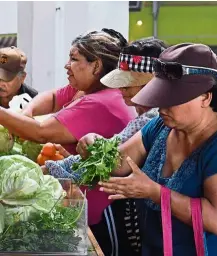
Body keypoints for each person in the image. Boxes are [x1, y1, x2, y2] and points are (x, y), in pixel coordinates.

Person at [0, 29, 136, 252]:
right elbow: (53, 97)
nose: (66, 65)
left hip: (103, 211)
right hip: (82, 204)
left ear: (96, 65)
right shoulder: (84, 91)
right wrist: (26, 113)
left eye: (74, 59)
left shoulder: (100, 102)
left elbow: (40, 132)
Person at [78, 43, 217, 255]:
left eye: (172, 99)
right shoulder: (160, 126)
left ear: (205, 97)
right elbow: (121, 162)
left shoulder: (213, 147)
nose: (161, 107)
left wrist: (155, 193)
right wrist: (95, 146)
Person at [43, 37, 167, 256]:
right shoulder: (147, 119)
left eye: (128, 83)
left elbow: (115, 160)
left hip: (147, 222)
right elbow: (114, 150)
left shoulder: (152, 118)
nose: (121, 90)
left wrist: (90, 144)